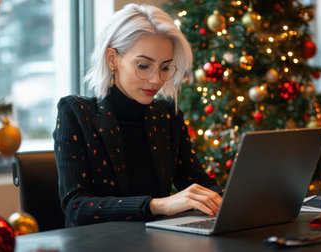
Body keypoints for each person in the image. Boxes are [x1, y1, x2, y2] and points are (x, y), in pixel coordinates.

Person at [53, 3, 223, 227]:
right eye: (143, 66)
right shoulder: (76, 112)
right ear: (112, 58)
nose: (156, 80)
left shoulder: (167, 117)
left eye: (164, 68)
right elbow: (77, 207)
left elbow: (200, 185)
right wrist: (158, 205)